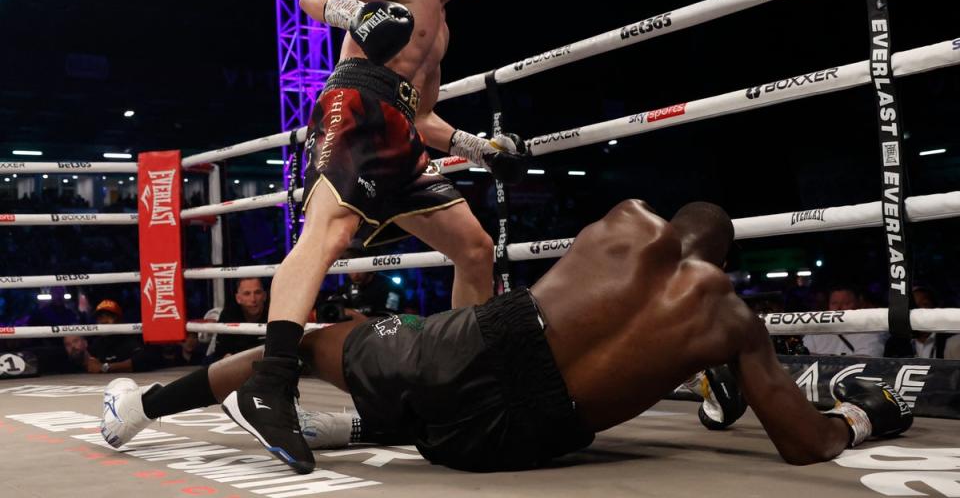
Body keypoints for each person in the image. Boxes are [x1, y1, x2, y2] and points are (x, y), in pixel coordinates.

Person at [101, 200, 912, 473]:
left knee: (310, 339)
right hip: (514, 441)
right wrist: (865, 416)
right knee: (429, 409)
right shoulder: (732, 321)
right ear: (725, 260)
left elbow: (568, 306)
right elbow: (804, 444)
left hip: (479, 344)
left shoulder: (625, 222)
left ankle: (144, 407)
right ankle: (361, 422)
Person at [221, 0, 529, 465]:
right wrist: (352, 15)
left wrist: (480, 150)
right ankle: (269, 384)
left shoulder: (442, 32)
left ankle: (459, 381)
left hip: (401, 135)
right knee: (329, 233)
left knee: (476, 248)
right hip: (355, 105)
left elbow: (427, 118)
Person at [802, 285, 887, 357]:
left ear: (859, 303)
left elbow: (867, 362)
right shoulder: (816, 329)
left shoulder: (872, 331)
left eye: (846, 303)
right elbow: (805, 359)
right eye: (834, 303)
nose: (838, 308)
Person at [208, 278, 269, 362]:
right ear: (238, 298)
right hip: (237, 367)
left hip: (267, 366)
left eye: (257, 292)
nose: (253, 299)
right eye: (247, 294)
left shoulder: (274, 313)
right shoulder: (229, 315)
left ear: (264, 296)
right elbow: (222, 352)